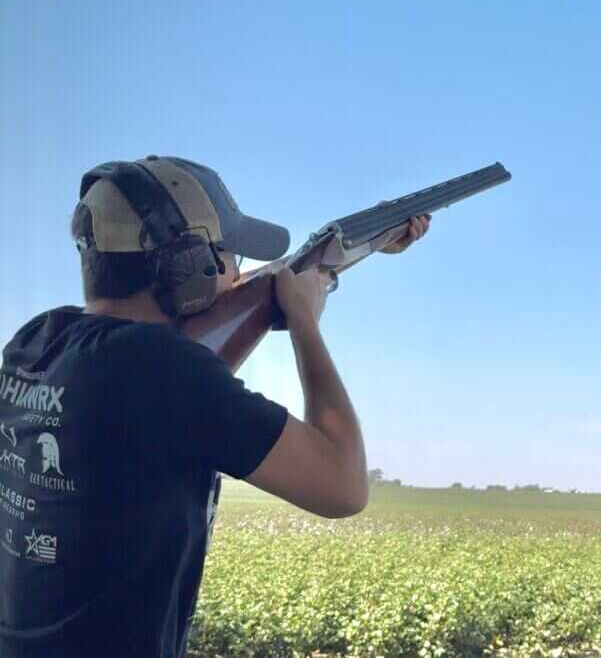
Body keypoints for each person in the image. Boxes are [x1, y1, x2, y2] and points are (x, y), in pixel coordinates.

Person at [0, 155, 430, 657]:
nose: (239, 272)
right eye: (230, 256)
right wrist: (306, 318)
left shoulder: (37, 339)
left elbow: (182, 376)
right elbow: (344, 486)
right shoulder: (160, 370)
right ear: (190, 268)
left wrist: (342, 259)